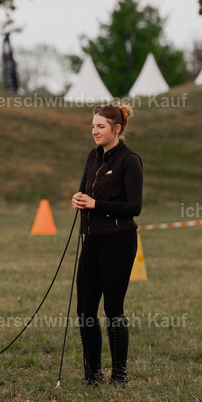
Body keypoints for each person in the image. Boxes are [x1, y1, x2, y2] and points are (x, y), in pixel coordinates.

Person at [71, 104, 143, 386]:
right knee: (85, 310)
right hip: (92, 241)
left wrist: (95, 204)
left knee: (113, 309)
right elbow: (84, 193)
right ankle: (92, 373)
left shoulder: (130, 160)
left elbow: (134, 207)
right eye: (92, 126)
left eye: (100, 126)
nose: (95, 131)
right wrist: (79, 199)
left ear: (117, 129)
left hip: (119, 242)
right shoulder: (92, 157)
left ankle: (119, 376)